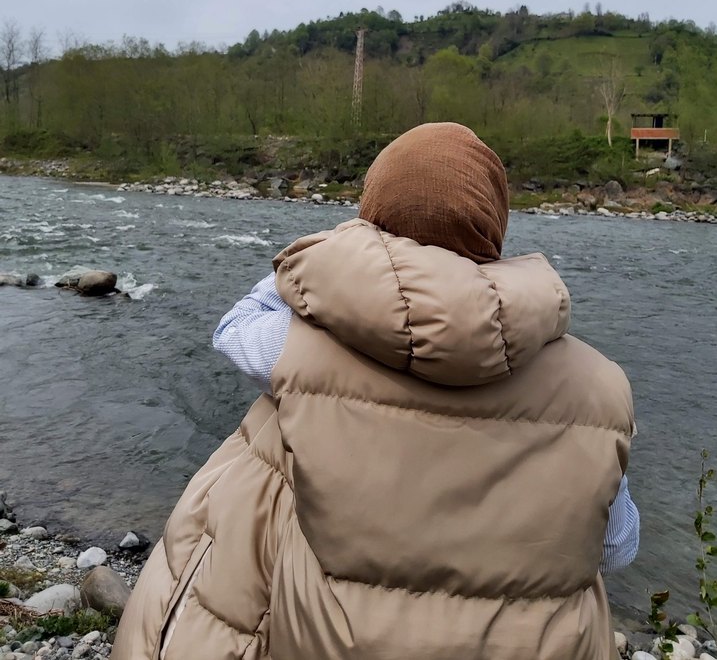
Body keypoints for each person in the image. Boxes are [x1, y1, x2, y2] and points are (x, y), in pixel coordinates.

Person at [112, 122, 638, 660]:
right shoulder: (599, 387)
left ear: (371, 220)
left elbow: (233, 327)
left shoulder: (291, 349)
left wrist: (330, 261)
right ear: (494, 226)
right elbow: (616, 547)